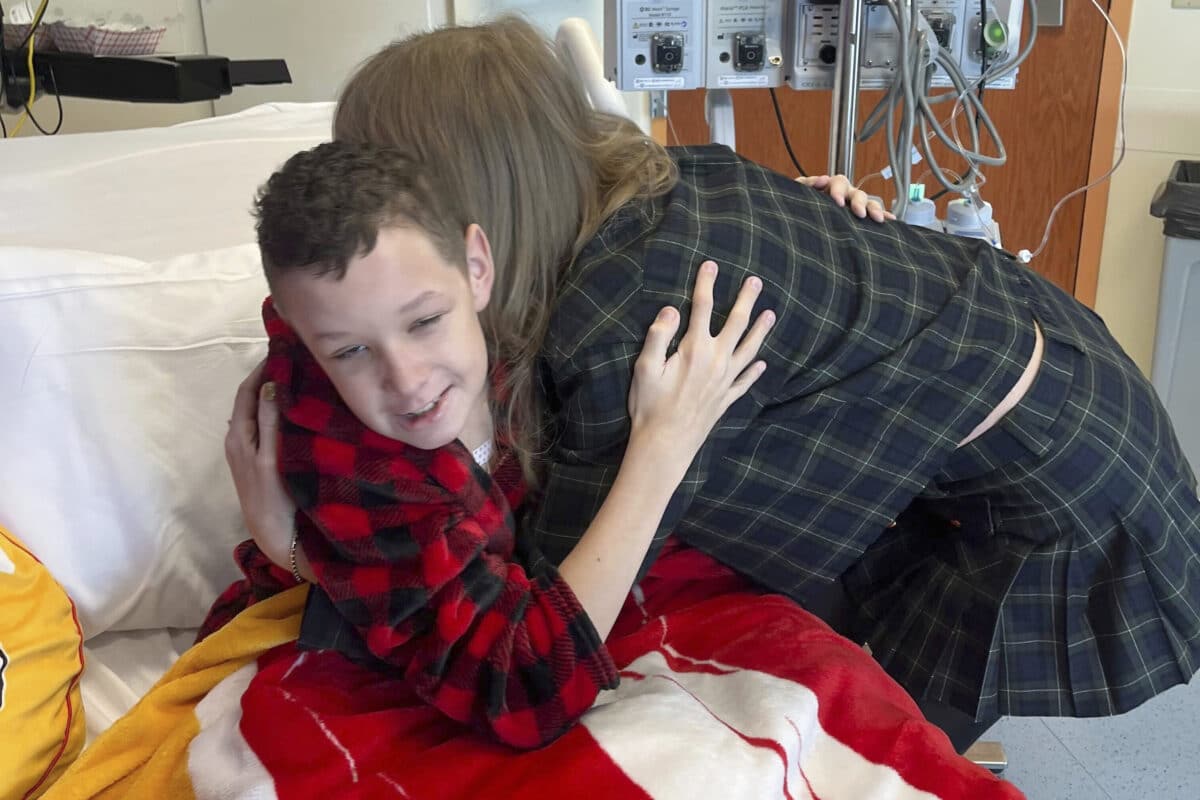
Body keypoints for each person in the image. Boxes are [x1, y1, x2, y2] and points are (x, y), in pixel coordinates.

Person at [229, 16, 1200, 753]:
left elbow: (542, 621)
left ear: (475, 234)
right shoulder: (654, 179)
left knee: (875, 725)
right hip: (1062, 354)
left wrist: (297, 552)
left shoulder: (624, 334)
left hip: (1066, 482)